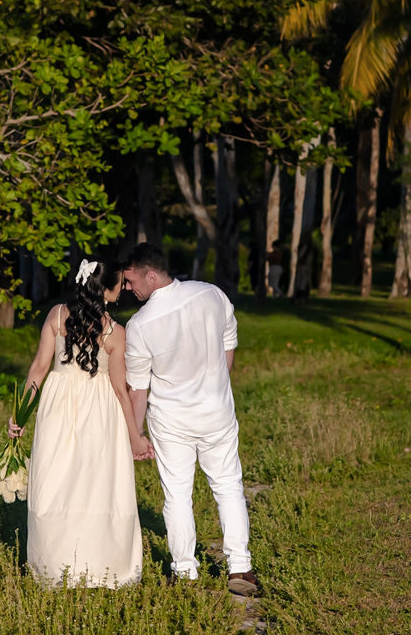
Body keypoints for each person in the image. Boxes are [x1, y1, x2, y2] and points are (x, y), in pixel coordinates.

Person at [121, 242, 261, 597]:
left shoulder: (139, 324)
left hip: (171, 422)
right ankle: (240, 568)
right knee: (229, 486)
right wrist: (215, 387)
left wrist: (135, 434)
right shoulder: (212, 294)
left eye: (130, 280)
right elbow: (229, 345)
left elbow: (139, 388)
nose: (127, 288)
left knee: (178, 497)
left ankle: (184, 572)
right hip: (217, 413)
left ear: (150, 275)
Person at [8, 258, 151, 588]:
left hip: (57, 407)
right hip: (99, 411)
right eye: (120, 286)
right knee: (95, 485)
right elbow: (119, 387)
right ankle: (100, 566)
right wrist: (135, 436)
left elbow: (38, 369)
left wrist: (20, 414)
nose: (123, 290)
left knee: (55, 482)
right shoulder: (115, 332)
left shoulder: (57, 315)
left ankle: (54, 566)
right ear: (107, 290)